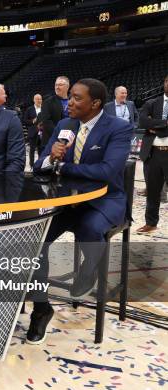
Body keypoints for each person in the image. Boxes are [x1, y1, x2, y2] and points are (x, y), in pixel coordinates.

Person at [29, 78, 132, 345]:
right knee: (35, 240)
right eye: (70, 97)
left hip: (105, 200)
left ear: (95, 103)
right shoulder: (65, 125)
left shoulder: (118, 128)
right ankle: (41, 309)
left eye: (76, 98)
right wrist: (51, 158)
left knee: (90, 228)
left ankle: (91, 267)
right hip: (66, 201)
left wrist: (63, 168)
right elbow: (39, 164)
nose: (69, 102)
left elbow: (107, 172)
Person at [136, 74, 168, 233]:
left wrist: (155, 126)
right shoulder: (151, 102)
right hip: (153, 153)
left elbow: (149, 123)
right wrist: (165, 124)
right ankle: (151, 223)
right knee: (153, 190)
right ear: (164, 83)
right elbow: (142, 122)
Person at [38, 76, 70, 151]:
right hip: (52, 141)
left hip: (70, 140)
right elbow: (46, 121)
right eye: (56, 85)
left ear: (67, 86)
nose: (57, 87)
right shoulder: (48, 102)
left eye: (60, 85)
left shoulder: (73, 101)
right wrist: (60, 136)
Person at [23, 94, 43, 168]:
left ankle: (40, 165)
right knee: (32, 150)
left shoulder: (44, 109)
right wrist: (33, 121)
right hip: (33, 132)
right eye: (37, 99)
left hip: (43, 133)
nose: (39, 101)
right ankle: (31, 165)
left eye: (40, 99)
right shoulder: (29, 109)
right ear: (34, 100)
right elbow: (25, 121)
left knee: (41, 150)